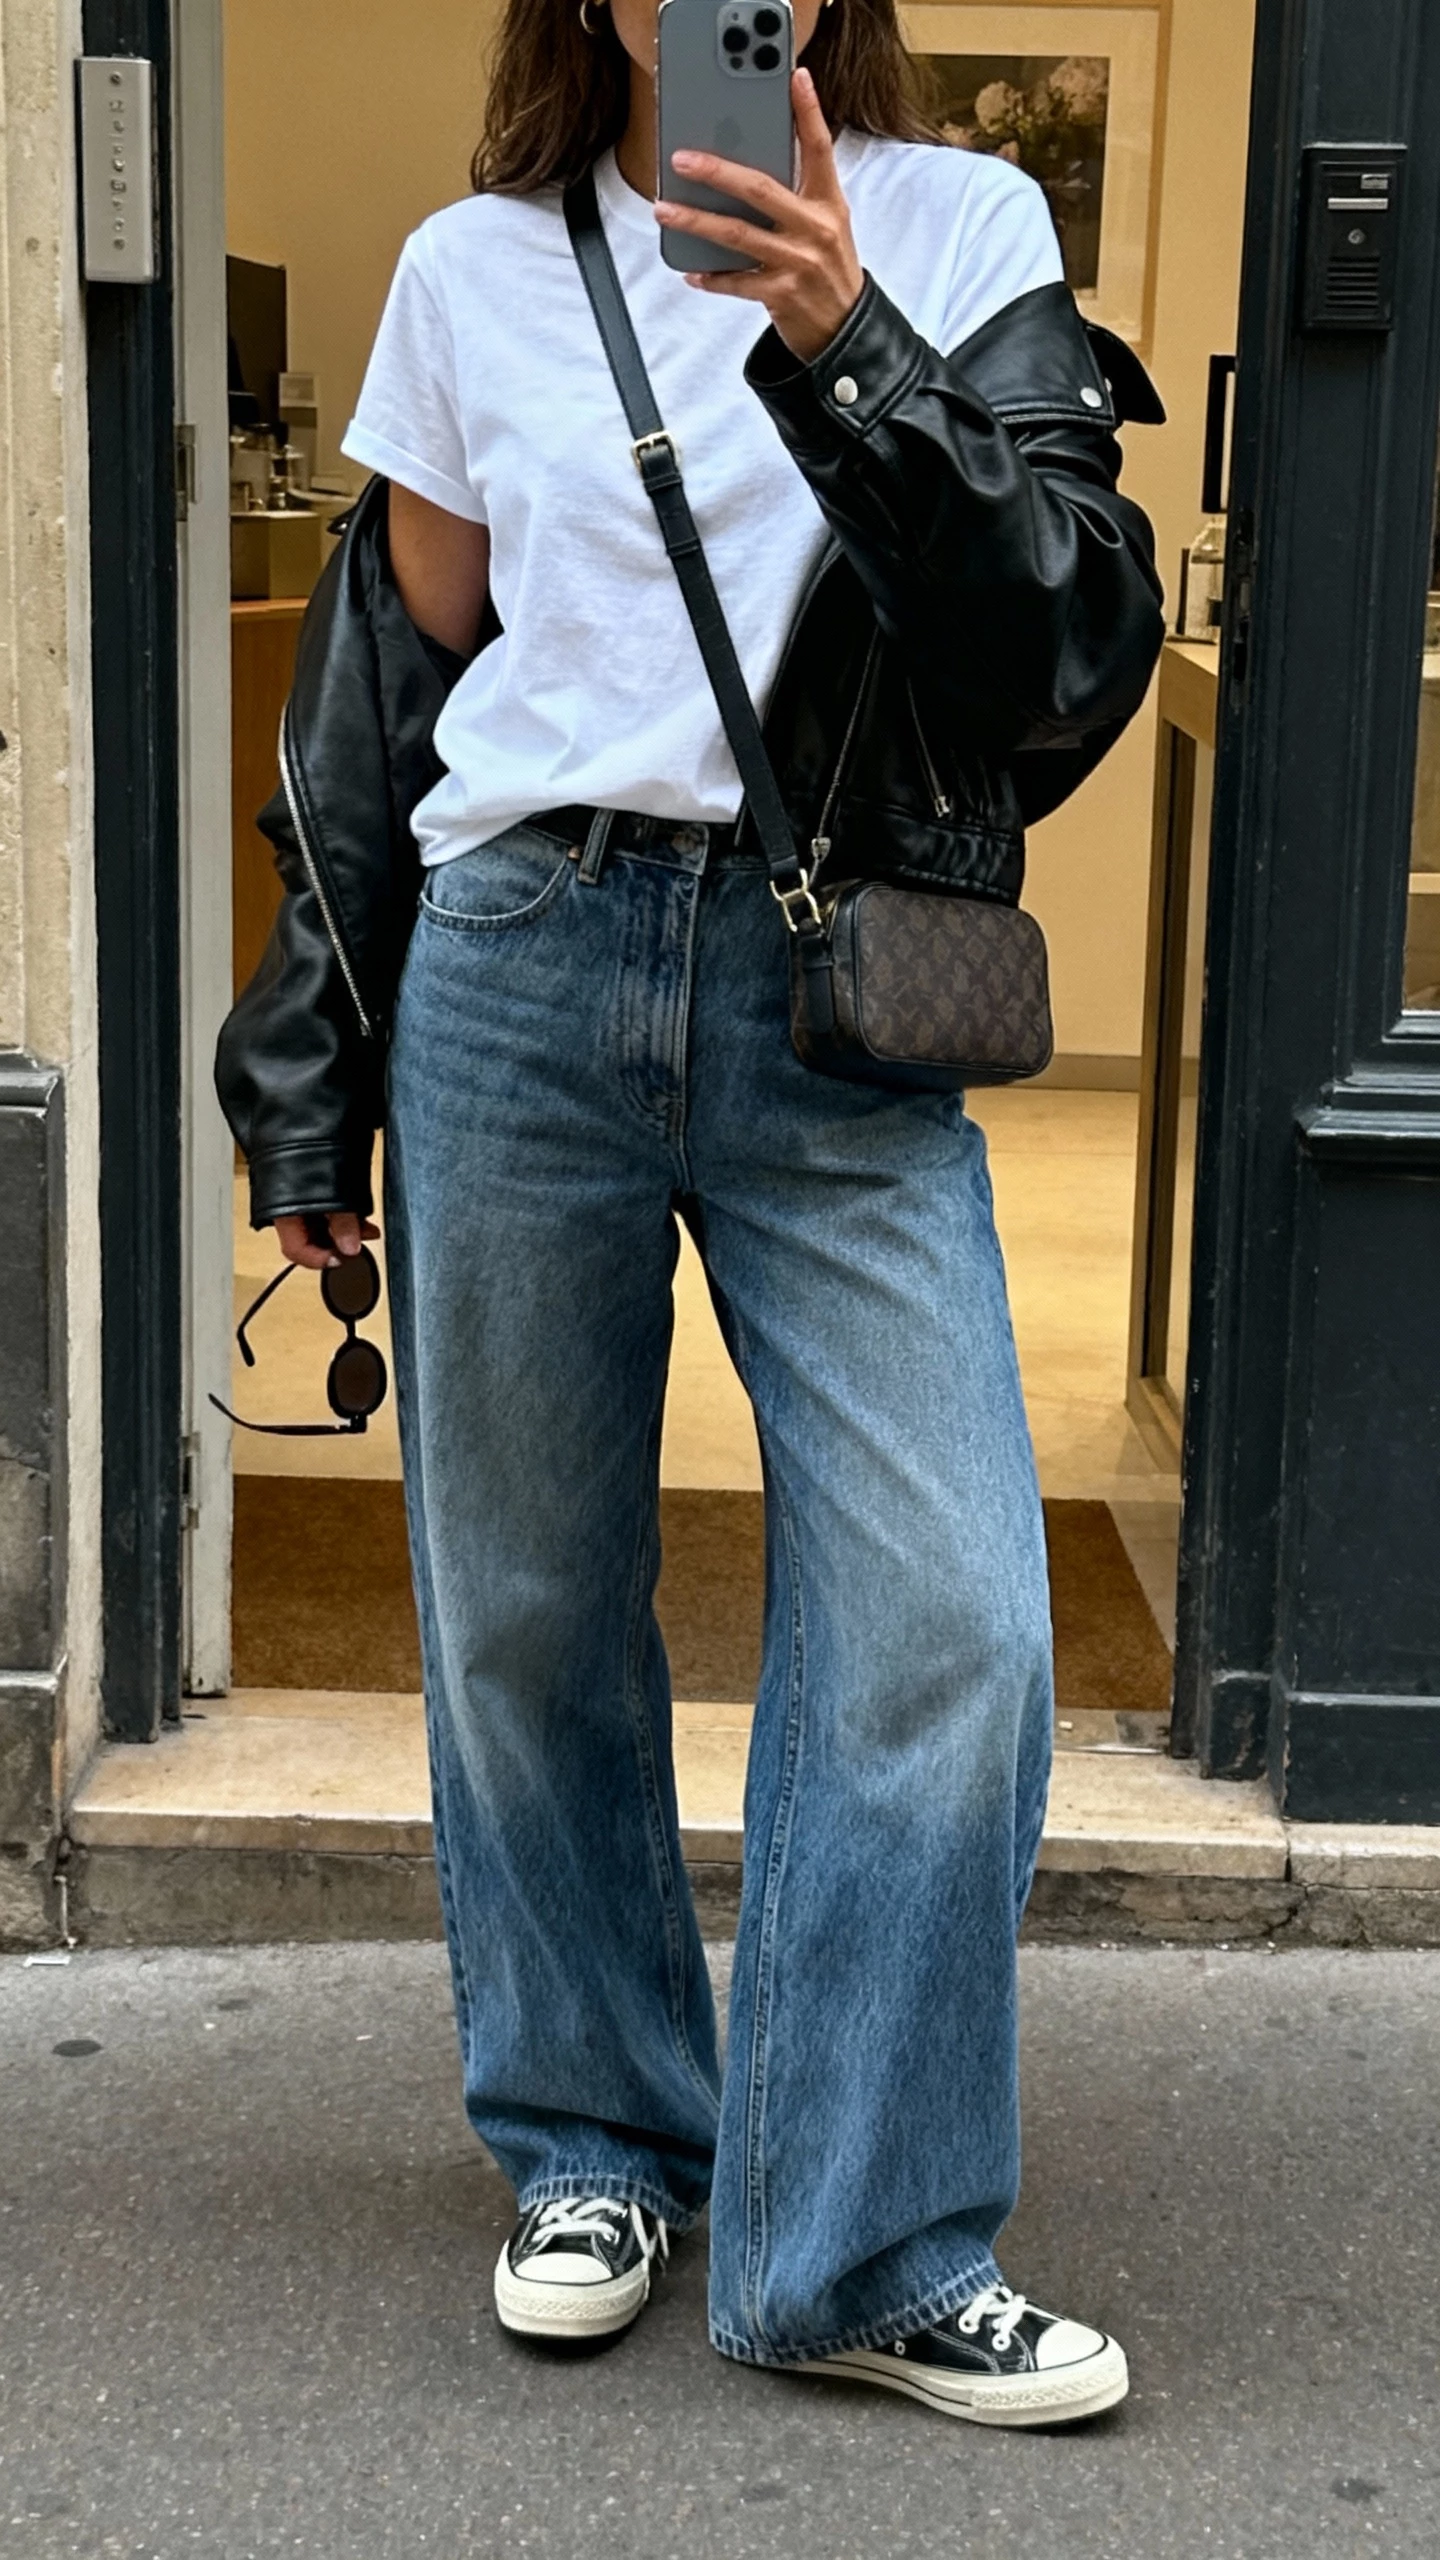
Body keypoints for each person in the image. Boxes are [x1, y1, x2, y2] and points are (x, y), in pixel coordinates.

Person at [217, 0, 1164, 2425]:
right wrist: (309, 1081)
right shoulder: (467, 268)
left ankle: (857, 2230)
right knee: (526, 1598)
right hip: (521, 967)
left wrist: (850, 336)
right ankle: (595, 2128)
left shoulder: (961, 231)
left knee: (952, 1610)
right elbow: (390, 696)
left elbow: (1060, 642)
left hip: (830, 974)